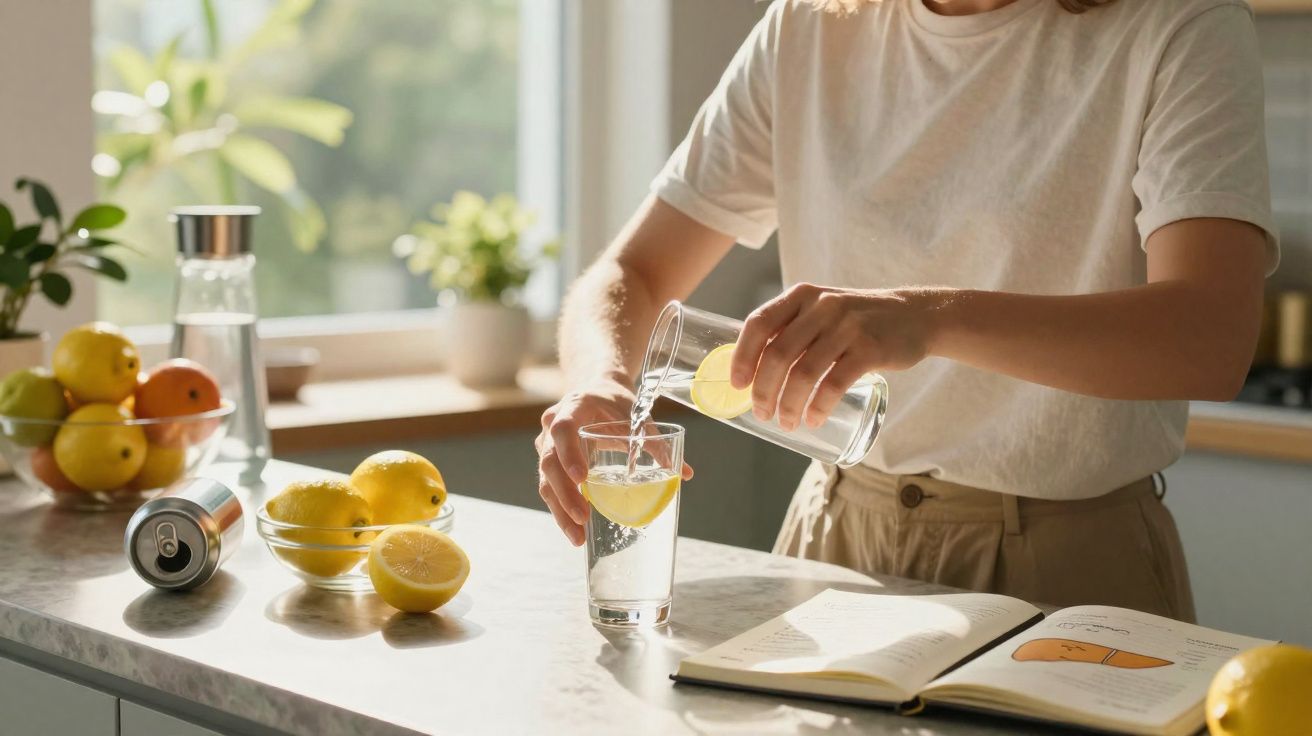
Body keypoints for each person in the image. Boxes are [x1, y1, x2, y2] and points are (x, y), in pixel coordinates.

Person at [535, 0, 1278, 622]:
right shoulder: (809, 25)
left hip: (1067, 568)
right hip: (832, 539)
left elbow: (1210, 336)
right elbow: (632, 271)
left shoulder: (1181, 25)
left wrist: (929, 319)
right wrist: (598, 381)